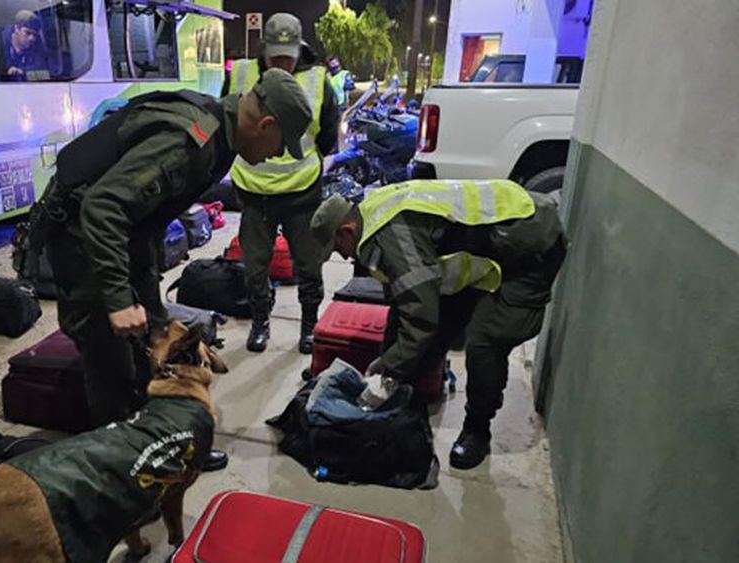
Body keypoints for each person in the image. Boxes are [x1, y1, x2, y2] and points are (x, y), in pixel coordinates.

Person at [36, 69, 311, 471]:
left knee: (143, 346)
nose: (275, 154)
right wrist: (117, 299)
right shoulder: (191, 142)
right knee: (111, 363)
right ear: (265, 125)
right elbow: (104, 207)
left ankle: (156, 449)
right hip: (83, 242)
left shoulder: (217, 138)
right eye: (279, 145)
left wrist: (154, 310)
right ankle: (125, 477)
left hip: (117, 238)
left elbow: (146, 223)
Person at [309, 180, 566, 469]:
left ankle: (477, 429)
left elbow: (421, 315)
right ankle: (410, 397)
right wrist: (388, 362)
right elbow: (403, 302)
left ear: (347, 230)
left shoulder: (391, 236)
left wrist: (391, 372)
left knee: (486, 342)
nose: (342, 256)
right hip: (488, 245)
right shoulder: (371, 214)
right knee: (436, 330)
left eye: (337, 247)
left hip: (530, 245)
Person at [222, 13, 340, 354]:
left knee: (308, 264)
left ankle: (308, 326)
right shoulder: (243, 73)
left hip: (301, 192)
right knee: (255, 266)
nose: (281, 63)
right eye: (275, 57)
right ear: (265, 50)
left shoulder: (318, 80)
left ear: (298, 49)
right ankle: (260, 322)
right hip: (253, 190)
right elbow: (228, 117)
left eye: (287, 58)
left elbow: (329, 135)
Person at [1, 10, 48, 80]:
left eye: (35, 35)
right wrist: (6, 72)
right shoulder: (0, 43)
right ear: (16, 29)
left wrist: (23, 72)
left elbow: (45, 75)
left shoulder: (38, 47)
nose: (32, 38)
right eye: (27, 33)